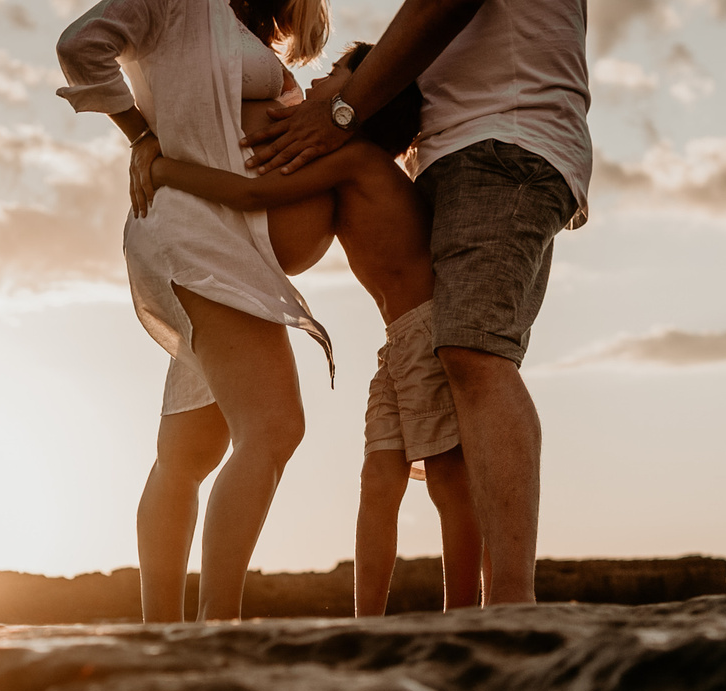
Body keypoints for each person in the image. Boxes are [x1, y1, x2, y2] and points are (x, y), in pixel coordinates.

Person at [244, 0, 590, 609]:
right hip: (465, 159)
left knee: (473, 354)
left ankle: (504, 606)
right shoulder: (381, 168)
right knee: (399, 457)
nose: (319, 83)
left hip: (501, 138)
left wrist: (341, 112)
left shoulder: (358, 155)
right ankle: (391, 618)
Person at [140, 41, 484, 615]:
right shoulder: (363, 167)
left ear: (362, 97)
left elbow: (254, 192)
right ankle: (365, 622)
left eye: (333, 77)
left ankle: (467, 616)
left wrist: (164, 165)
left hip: (426, 335)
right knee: (378, 483)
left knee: (448, 479)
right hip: (398, 344)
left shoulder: (356, 164)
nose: (318, 85)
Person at [57, 0, 335, 624]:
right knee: (275, 426)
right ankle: (218, 627)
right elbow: (81, 44)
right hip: (198, 235)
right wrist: (140, 134)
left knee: (187, 456)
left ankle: (162, 633)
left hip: (220, 243)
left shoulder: (242, 30)